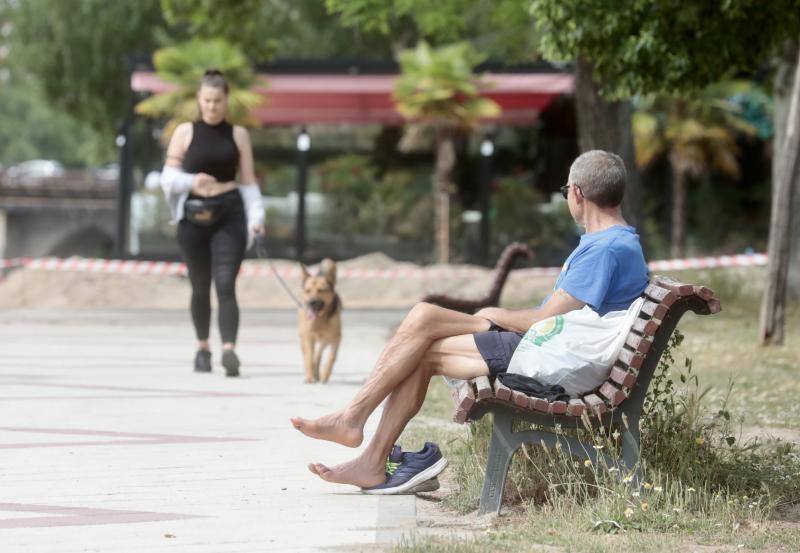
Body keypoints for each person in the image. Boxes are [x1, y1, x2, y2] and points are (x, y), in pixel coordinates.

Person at [290, 150, 649, 492]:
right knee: (423, 324)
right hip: (551, 348)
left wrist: (495, 315)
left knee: (424, 324)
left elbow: (546, 319)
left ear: (577, 193)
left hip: (549, 356)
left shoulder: (606, 248)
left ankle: (355, 426)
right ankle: (362, 443)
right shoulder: (611, 242)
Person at [160, 69, 264, 377]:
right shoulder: (184, 132)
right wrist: (192, 180)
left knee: (225, 284)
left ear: (226, 100)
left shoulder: (239, 135)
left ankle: (229, 350)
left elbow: (248, 182)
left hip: (229, 212)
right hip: (193, 217)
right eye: (206, 100)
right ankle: (203, 348)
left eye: (217, 101)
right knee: (199, 285)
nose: (212, 107)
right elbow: (167, 178)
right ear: (198, 99)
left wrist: (256, 218)